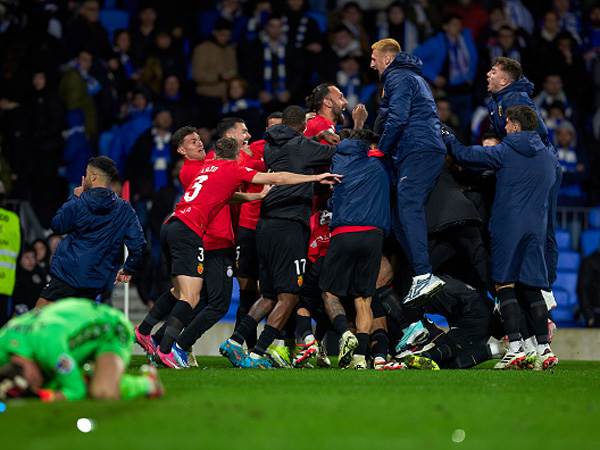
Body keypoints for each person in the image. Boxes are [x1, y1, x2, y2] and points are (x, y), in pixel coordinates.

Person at [139, 135, 339, 368]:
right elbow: (280, 177)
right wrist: (315, 176)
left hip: (172, 224)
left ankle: (156, 339)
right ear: (236, 155)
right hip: (191, 231)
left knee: (184, 293)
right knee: (192, 297)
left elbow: (224, 194)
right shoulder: (234, 168)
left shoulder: (208, 167)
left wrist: (255, 196)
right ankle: (169, 349)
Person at [442, 105, 559, 371]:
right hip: (536, 229)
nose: (505, 128)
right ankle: (544, 348)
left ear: (516, 126)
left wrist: (447, 134)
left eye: (507, 124)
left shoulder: (506, 151)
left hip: (508, 227)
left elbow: (464, 154)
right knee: (531, 287)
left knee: (504, 286)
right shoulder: (549, 157)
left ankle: (516, 347)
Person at [220, 105, 337, 369]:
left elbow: (293, 166)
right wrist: (335, 136)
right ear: (303, 127)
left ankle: (236, 341)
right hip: (290, 226)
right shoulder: (302, 145)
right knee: (290, 295)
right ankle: (258, 353)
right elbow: (335, 152)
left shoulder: (271, 146)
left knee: (269, 293)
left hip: (265, 224)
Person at [370, 38, 446, 306]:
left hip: (418, 148)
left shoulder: (398, 77)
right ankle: (420, 273)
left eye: (374, 57)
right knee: (401, 215)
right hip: (419, 149)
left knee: (408, 204)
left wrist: (381, 148)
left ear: (387, 59)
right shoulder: (407, 78)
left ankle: (425, 274)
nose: (371, 63)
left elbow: (399, 118)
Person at [319, 129, 391, 370]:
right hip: (373, 234)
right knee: (364, 299)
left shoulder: (336, 160)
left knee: (329, 292)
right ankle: (360, 356)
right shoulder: (380, 162)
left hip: (343, 233)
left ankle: (344, 333)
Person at [0, 298, 162, 401]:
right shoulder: (3, 342)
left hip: (109, 327)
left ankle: (147, 383)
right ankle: (88, 376)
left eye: (35, 379)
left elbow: (74, 391)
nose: (37, 383)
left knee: (102, 393)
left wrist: (42, 395)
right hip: (72, 322)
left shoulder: (50, 349)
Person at [35, 156, 146, 308]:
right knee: (77, 324)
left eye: (86, 174)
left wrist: (74, 197)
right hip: (95, 281)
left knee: (38, 317)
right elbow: (138, 244)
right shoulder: (125, 209)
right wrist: (128, 268)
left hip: (68, 275)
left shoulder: (81, 201)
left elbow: (58, 225)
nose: (84, 177)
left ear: (93, 177)